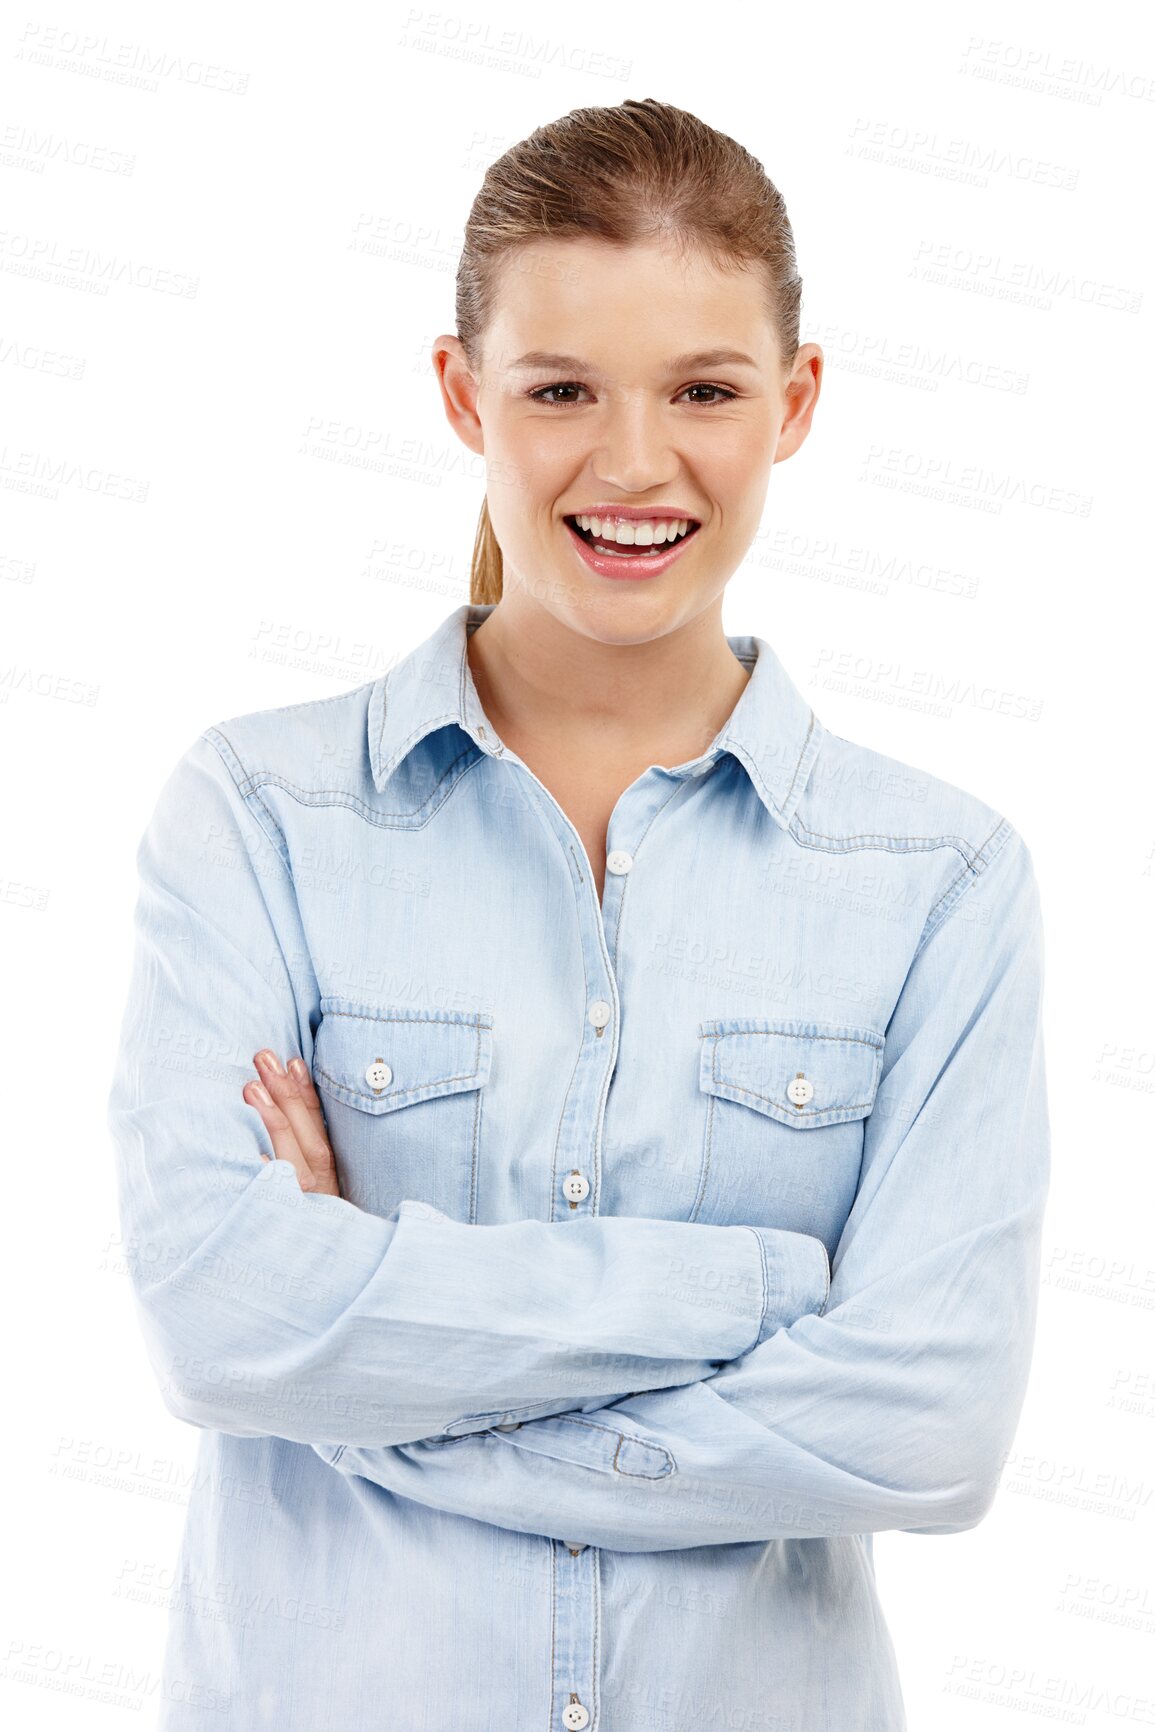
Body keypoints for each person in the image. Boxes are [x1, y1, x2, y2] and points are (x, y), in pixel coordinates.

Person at [107, 97, 1050, 1731]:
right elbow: (220, 1320)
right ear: (464, 394)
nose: (633, 462)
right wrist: (750, 1293)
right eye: (559, 391)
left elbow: (930, 1425)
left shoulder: (942, 881)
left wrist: (373, 1406)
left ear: (797, 402)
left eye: (704, 390)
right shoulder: (260, 819)